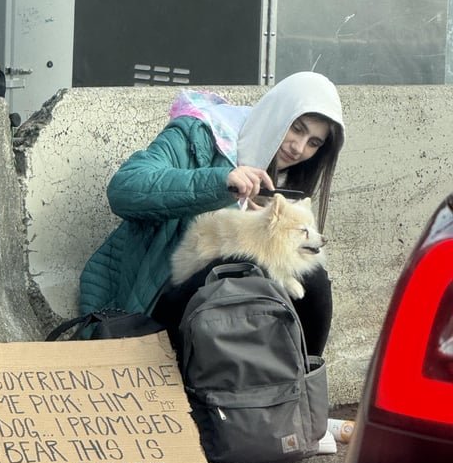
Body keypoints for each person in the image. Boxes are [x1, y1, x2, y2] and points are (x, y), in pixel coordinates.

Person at [79, 72, 345, 356]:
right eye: (296, 128)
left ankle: (300, 384)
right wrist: (222, 183)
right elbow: (125, 188)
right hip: (158, 298)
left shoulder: (287, 184)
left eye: (314, 143)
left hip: (223, 318)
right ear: (276, 114)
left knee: (309, 275)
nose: (298, 148)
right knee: (244, 262)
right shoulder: (202, 134)